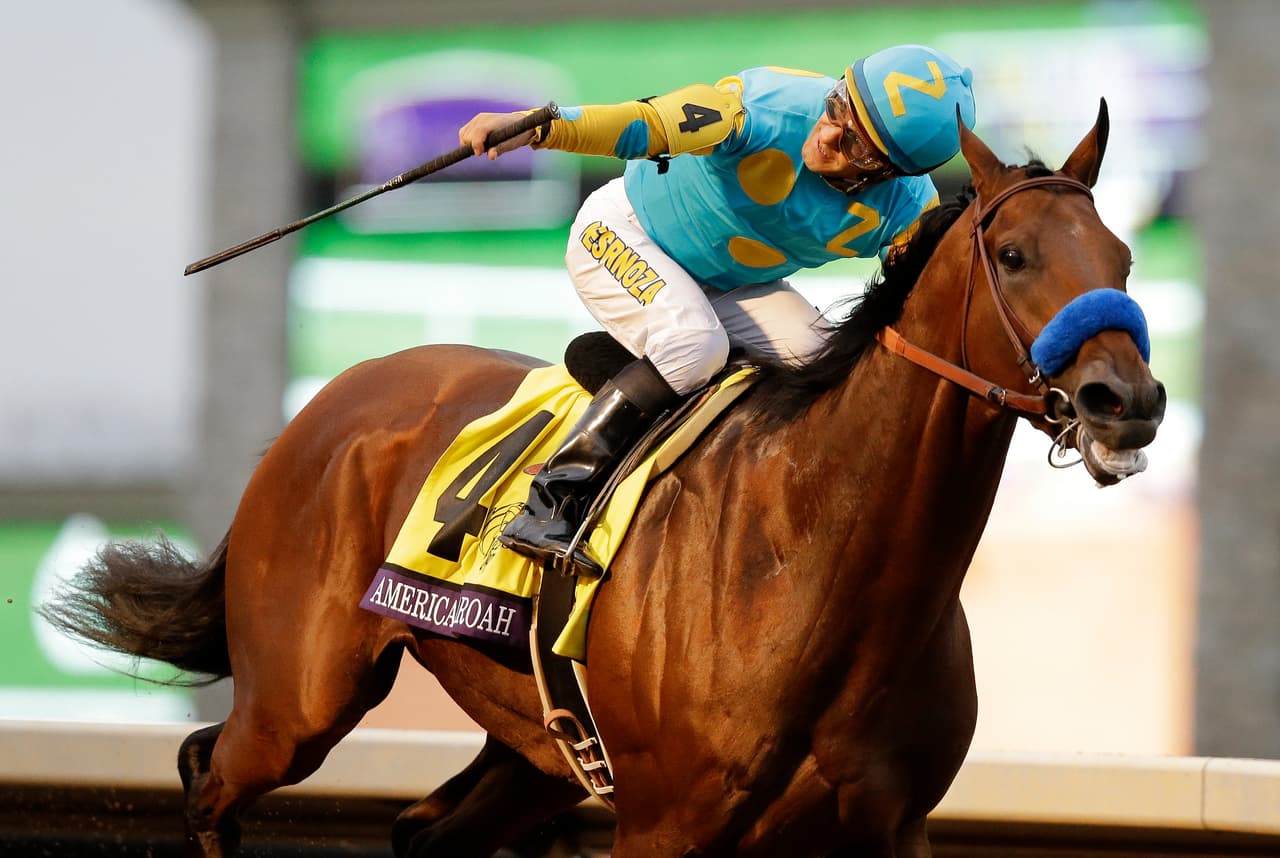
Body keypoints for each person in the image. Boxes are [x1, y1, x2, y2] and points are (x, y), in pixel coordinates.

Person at [459, 44, 976, 573]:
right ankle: (550, 499)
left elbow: (934, 304)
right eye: (838, 106)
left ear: (893, 172)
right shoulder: (765, 106)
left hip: (733, 286)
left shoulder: (909, 209)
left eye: (857, 148)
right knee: (695, 345)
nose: (826, 135)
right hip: (626, 233)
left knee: (832, 370)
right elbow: (647, 123)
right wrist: (540, 126)